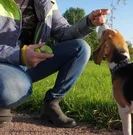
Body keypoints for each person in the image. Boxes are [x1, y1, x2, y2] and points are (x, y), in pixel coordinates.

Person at [0, 0, 110, 128]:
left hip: (34, 60)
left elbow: (63, 33)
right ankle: (3, 101)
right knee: (10, 91)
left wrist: (88, 22)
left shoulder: (46, 2)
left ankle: (51, 104)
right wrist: (20, 55)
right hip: (5, 63)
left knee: (80, 48)